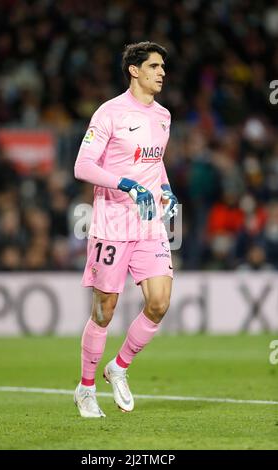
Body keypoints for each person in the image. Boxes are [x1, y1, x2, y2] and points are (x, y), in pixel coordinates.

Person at [73, 41, 178, 418]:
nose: (161, 72)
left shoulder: (164, 116)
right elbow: (82, 167)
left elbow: (155, 164)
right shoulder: (110, 113)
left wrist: (165, 189)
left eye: (162, 67)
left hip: (149, 225)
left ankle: (119, 367)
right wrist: (127, 185)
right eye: (153, 66)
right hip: (112, 223)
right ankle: (85, 389)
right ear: (134, 70)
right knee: (105, 310)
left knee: (160, 302)